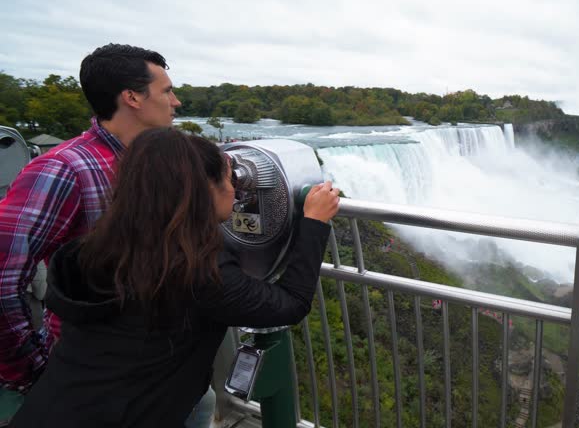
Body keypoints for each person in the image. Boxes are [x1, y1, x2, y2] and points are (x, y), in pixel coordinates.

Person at [11, 128, 339, 427]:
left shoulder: (101, 244)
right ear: (202, 191)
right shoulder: (195, 272)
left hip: (51, 407)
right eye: (229, 181)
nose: (235, 193)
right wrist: (314, 222)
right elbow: (291, 304)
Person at [0, 44, 182, 424]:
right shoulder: (63, 169)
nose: (176, 101)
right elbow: (2, 279)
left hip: (158, 363)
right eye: (166, 91)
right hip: (94, 373)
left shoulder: (156, 164)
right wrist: (33, 371)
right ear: (132, 97)